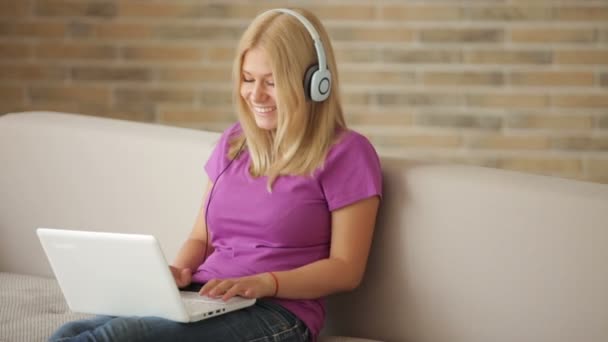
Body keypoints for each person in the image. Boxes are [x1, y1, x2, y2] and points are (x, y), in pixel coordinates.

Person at [48, 7, 382, 342]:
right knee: (75, 331)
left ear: (315, 83)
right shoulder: (234, 143)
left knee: (115, 337)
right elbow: (201, 238)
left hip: (275, 312)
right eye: (248, 79)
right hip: (205, 294)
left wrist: (268, 282)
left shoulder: (347, 152)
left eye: (271, 82)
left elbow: (346, 268)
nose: (255, 94)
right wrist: (177, 276)